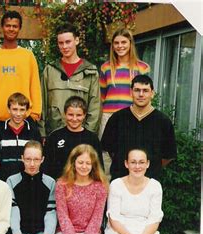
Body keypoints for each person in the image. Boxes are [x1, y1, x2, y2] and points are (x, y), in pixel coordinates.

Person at [101, 75, 177, 181]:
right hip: (120, 180)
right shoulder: (117, 118)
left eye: (145, 90)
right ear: (131, 92)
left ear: (152, 93)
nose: (141, 94)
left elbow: (168, 155)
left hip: (149, 182)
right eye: (137, 90)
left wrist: (151, 169)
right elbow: (110, 149)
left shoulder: (163, 122)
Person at [99, 28, 150, 176]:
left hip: (132, 116)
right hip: (108, 116)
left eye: (123, 42)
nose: (120, 46)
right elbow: (101, 96)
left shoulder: (142, 68)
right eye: (116, 43)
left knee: (133, 153)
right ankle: (109, 190)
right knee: (107, 154)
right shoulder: (106, 67)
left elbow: (145, 95)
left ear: (130, 44)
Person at [0, 10, 41, 122]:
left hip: (22, 120)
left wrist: (35, 114)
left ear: (19, 28)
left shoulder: (28, 56)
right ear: (2, 27)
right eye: (8, 26)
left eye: (15, 26)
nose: (11, 29)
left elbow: (35, 86)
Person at [41, 23, 100, 137]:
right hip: (54, 134)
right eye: (61, 43)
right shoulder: (50, 70)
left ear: (76, 40)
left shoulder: (90, 71)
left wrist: (88, 135)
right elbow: (42, 104)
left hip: (81, 135)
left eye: (68, 42)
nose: (64, 46)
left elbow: (95, 107)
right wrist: (42, 133)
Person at [44, 96, 103, 179]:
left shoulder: (92, 139)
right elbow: (47, 169)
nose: (74, 119)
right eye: (71, 115)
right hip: (60, 187)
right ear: (64, 114)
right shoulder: (54, 137)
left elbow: (98, 169)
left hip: (85, 187)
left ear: (84, 115)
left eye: (79, 115)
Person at [0, 92, 41, 181]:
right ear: (9, 109)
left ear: (27, 111)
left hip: (27, 180)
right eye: (15, 109)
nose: (18, 114)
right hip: (4, 179)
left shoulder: (33, 131)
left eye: (22, 110)